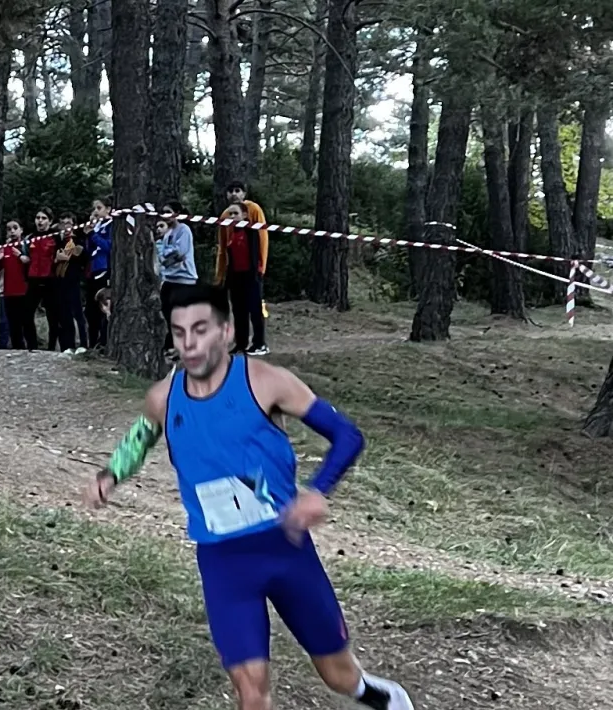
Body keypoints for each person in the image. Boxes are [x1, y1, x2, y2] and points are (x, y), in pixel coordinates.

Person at [82, 284, 414, 710]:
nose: (189, 343)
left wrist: (317, 491)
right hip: (223, 562)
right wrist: (110, 474)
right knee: (250, 689)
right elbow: (140, 438)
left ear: (227, 332)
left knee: (338, 675)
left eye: (201, 330)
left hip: (286, 551)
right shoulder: (163, 398)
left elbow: (347, 436)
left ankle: (376, 696)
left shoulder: (266, 382)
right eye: (180, 332)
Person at [216, 200, 269, 355]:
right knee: (239, 311)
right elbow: (226, 254)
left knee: (255, 310)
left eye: (235, 214)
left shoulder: (252, 231)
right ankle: (241, 343)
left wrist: (259, 271)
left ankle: (259, 343)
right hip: (235, 276)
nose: (232, 217)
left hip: (251, 275)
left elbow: (258, 251)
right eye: (230, 214)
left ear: (245, 215)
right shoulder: (230, 231)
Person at [154, 201, 198, 354]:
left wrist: (168, 255)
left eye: (168, 211)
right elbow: (163, 256)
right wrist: (167, 255)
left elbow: (180, 252)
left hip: (184, 279)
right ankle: (172, 343)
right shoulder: (168, 233)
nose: (165, 215)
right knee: (167, 313)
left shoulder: (183, 230)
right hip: (169, 278)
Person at [0, 219, 37, 351]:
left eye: (15, 228)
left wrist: (21, 256)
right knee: (13, 324)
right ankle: (18, 349)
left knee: (27, 322)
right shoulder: (4, 248)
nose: (12, 231)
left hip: (25, 290)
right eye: (9, 229)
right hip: (8, 291)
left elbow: (32, 264)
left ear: (21, 230)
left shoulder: (26, 245)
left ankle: (33, 348)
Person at [27, 207, 61, 351]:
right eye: (38, 218)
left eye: (43, 218)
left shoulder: (55, 236)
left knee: (52, 316)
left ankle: (52, 347)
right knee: (27, 313)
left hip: (50, 279)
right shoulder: (30, 238)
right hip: (33, 278)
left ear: (50, 221)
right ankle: (32, 346)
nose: (40, 221)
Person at [54, 212, 88, 355]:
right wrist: (56, 258)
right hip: (59, 281)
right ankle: (66, 345)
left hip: (74, 280)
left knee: (78, 313)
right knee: (64, 314)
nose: (66, 226)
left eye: (69, 223)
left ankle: (83, 344)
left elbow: (84, 258)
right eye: (63, 222)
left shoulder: (78, 239)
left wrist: (75, 253)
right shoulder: (56, 240)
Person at [85, 197, 113, 350]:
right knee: (90, 310)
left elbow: (109, 246)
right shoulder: (98, 226)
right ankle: (92, 343)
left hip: (104, 270)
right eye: (94, 208)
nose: (95, 211)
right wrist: (89, 235)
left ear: (108, 209)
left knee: (103, 308)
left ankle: (103, 343)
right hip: (93, 270)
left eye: (99, 208)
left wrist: (94, 236)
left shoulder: (112, 226)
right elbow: (90, 251)